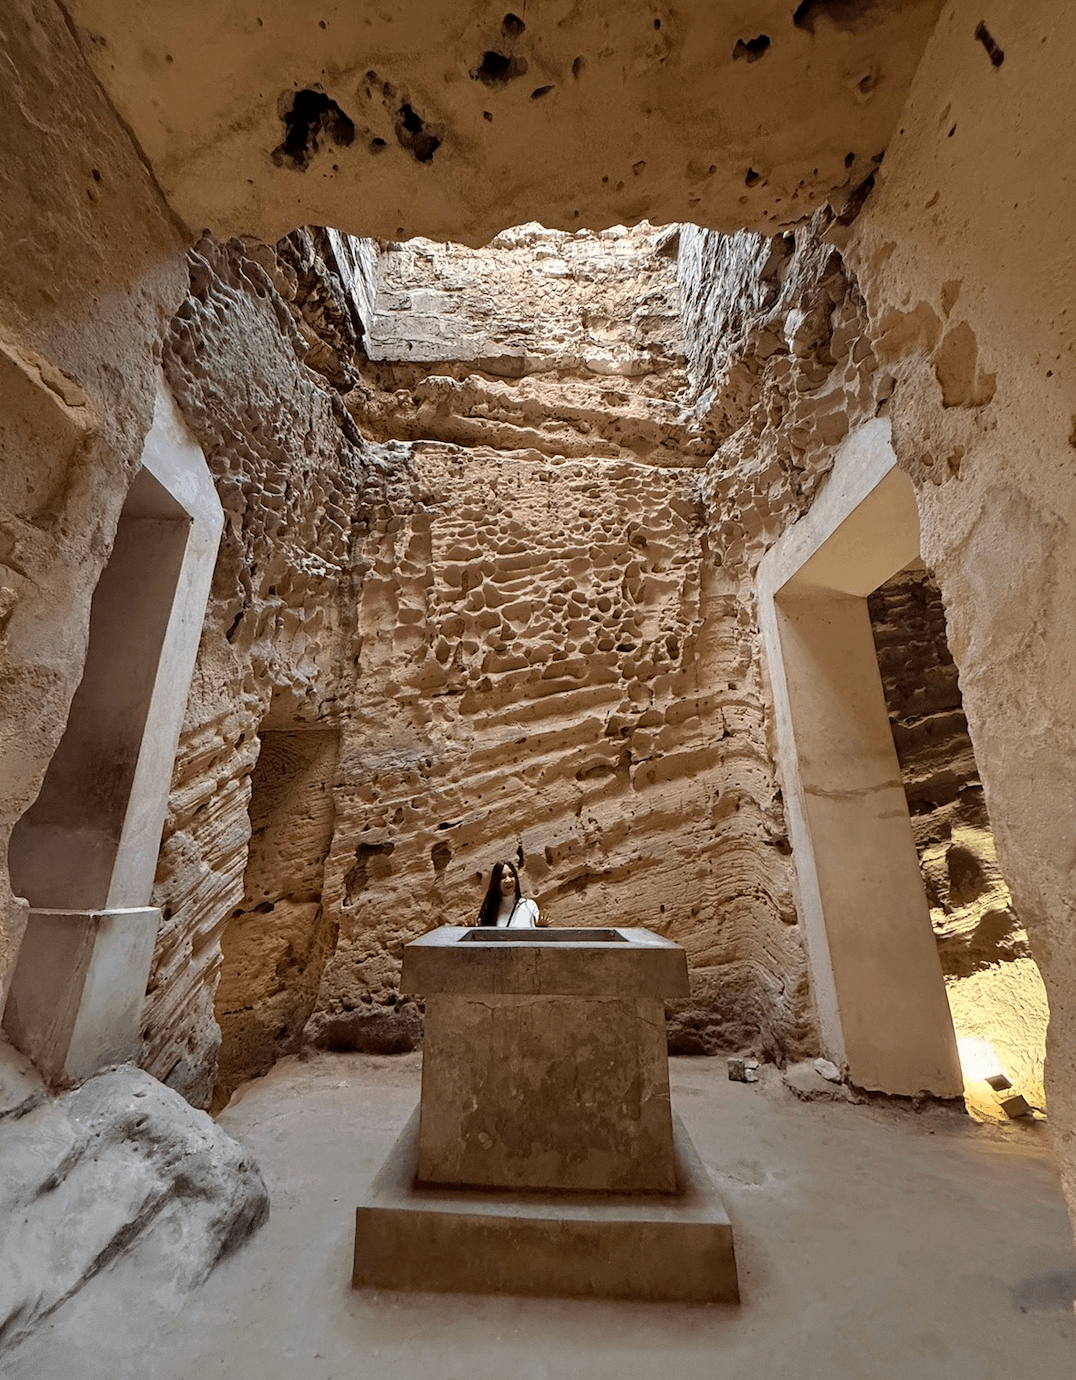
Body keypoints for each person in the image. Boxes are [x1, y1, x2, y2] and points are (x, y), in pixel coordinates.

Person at [477, 860, 541, 927]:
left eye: (511, 875)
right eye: (502, 877)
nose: (508, 880)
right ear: (496, 882)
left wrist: (541, 927)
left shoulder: (529, 906)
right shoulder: (489, 912)